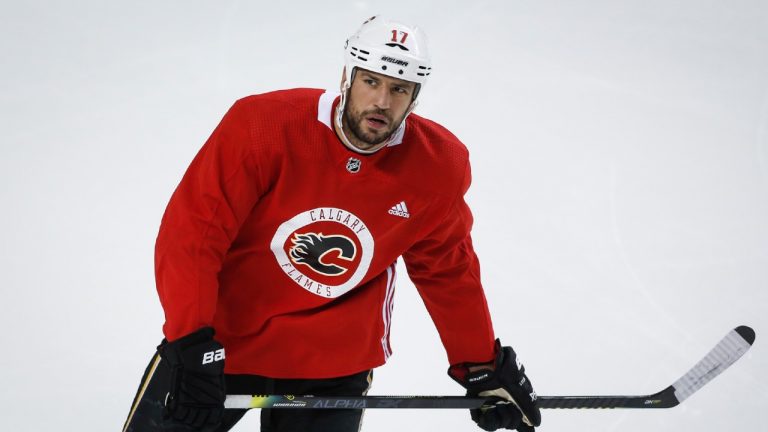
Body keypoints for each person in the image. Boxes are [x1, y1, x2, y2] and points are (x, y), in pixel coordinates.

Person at [122, 15, 541, 432]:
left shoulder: (437, 166)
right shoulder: (263, 126)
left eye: (399, 89)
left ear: (415, 96)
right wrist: (191, 342)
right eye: (371, 81)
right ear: (347, 76)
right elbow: (193, 235)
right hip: (221, 346)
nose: (382, 101)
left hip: (332, 361)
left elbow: (447, 270)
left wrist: (480, 364)